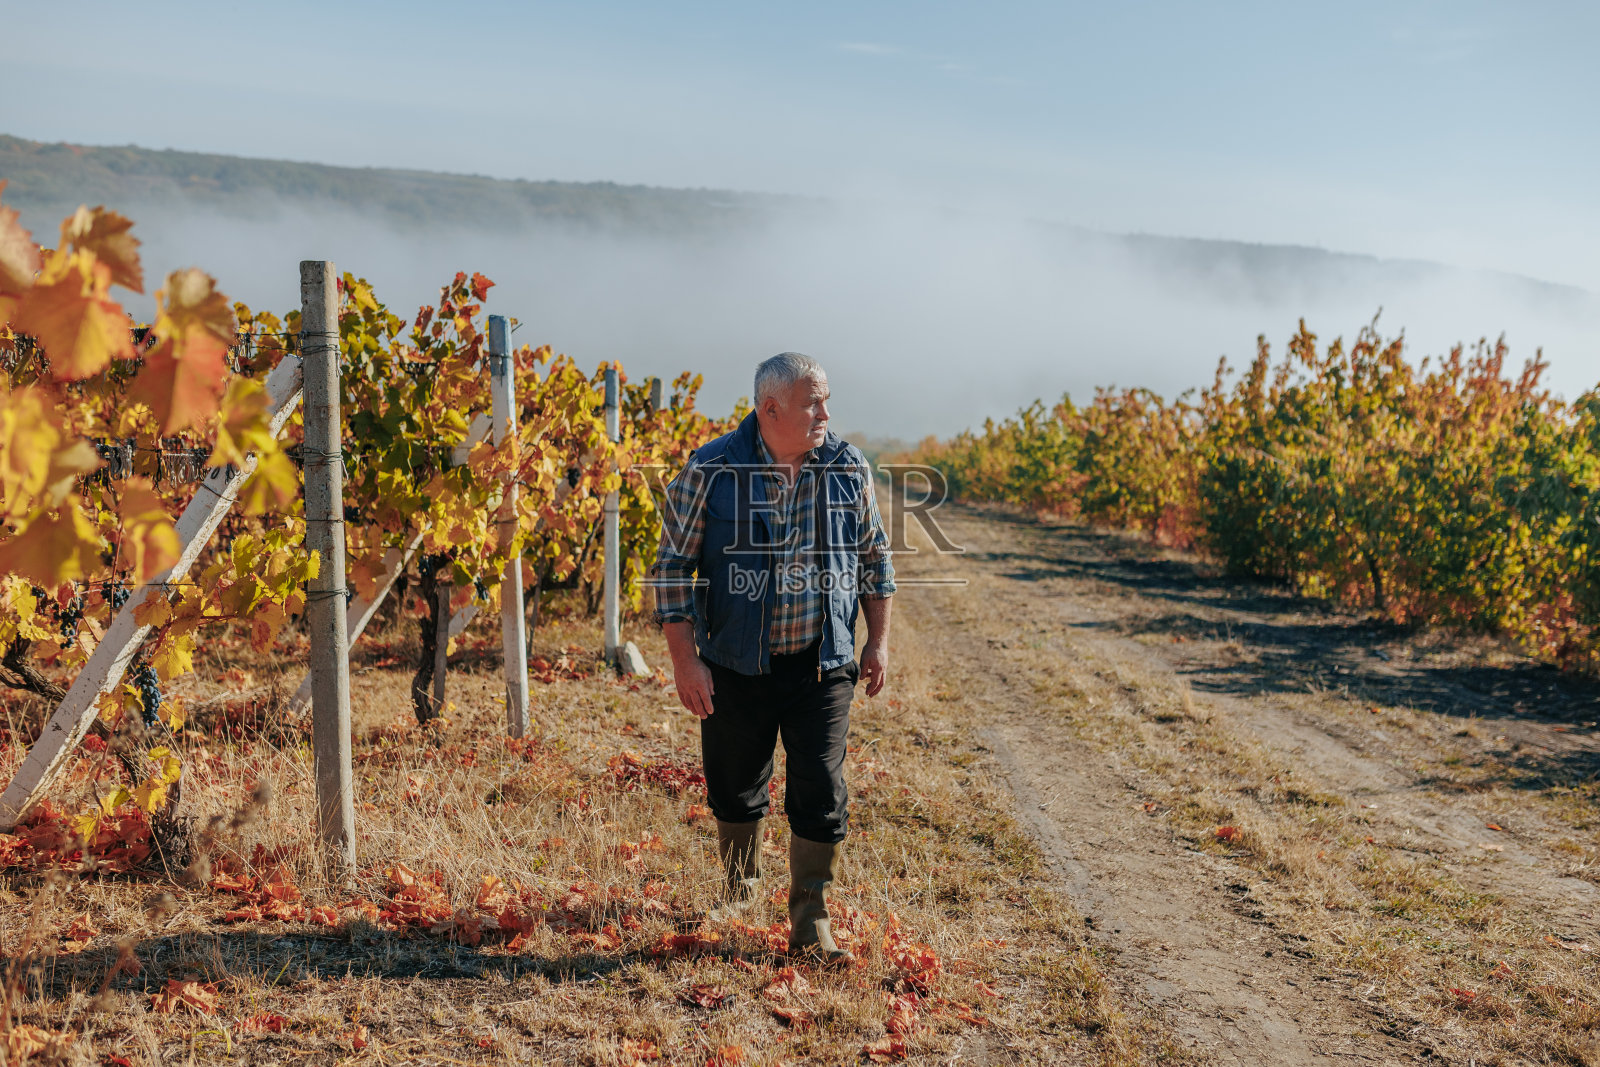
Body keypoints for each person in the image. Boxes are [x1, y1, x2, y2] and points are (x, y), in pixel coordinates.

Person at [650, 352, 895, 962]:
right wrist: (686, 661)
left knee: (820, 783)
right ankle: (740, 885)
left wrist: (878, 641)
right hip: (734, 660)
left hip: (822, 661)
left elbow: (874, 559)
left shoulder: (846, 466)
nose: (826, 413)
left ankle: (811, 919)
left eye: (826, 399)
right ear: (770, 409)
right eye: (814, 402)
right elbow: (672, 571)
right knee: (735, 784)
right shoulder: (710, 469)